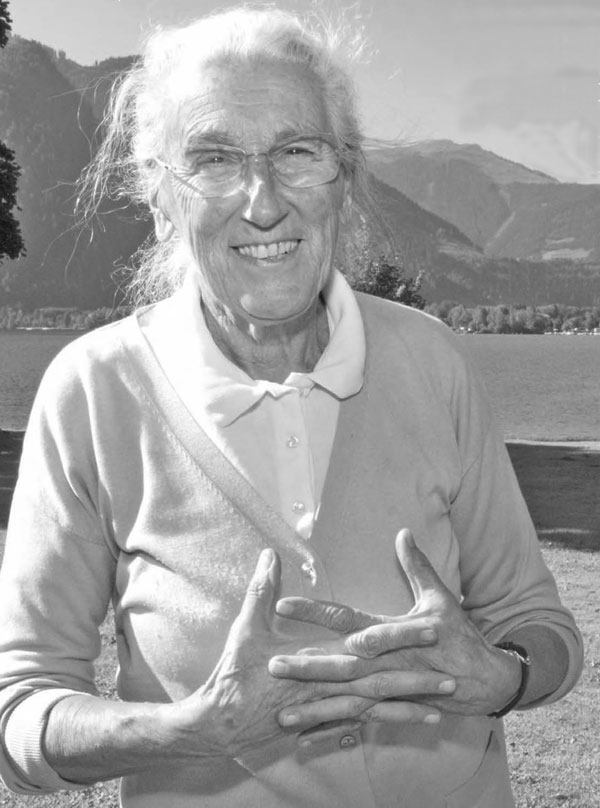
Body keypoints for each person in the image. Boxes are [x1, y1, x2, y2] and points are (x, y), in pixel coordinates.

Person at [0, 7, 583, 808]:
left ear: (345, 178)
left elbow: (540, 625)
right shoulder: (94, 390)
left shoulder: (433, 360)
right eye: (213, 158)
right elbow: (21, 715)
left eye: (298, 152)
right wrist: (192, 730)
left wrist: (504, 676)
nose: (263, 200)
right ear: (160, 195)